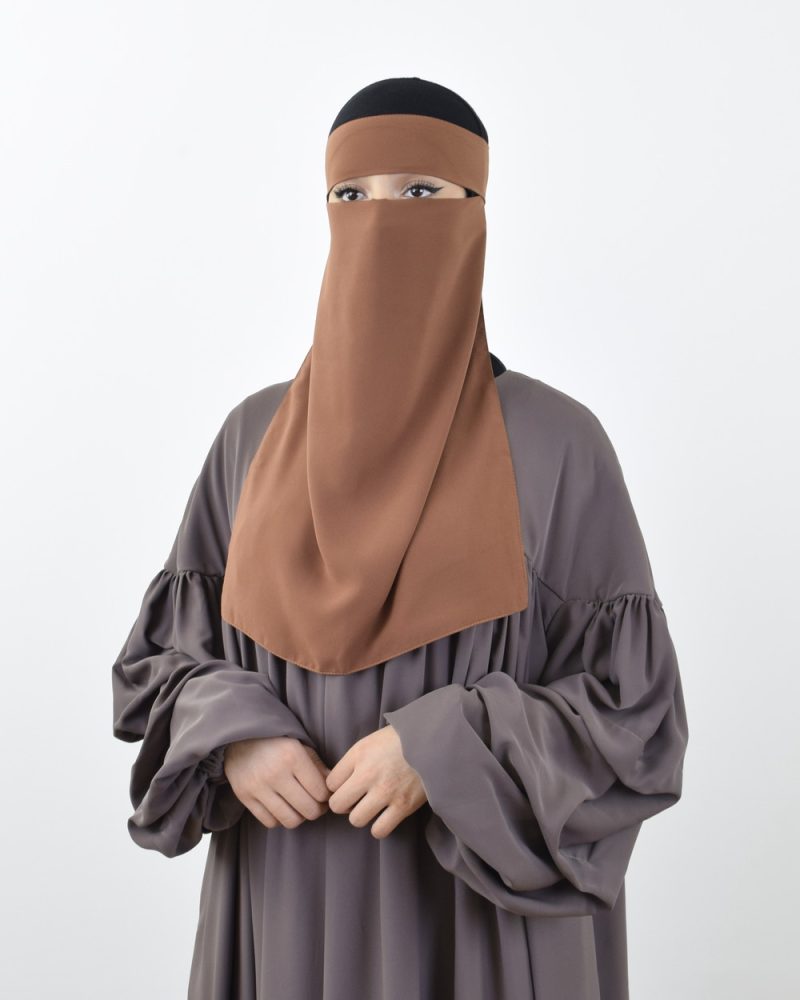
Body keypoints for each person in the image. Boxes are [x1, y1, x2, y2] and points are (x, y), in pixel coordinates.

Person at [111, 76, 689, 1000]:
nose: (380, 220)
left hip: (481, 917)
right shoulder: (251, 439)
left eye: (420, 190)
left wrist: (447, 747)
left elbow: (635, 718)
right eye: (351, 194)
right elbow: (162, 667)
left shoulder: (556, 444)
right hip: (286, 895)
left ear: (476, 214)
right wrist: (230, 732)